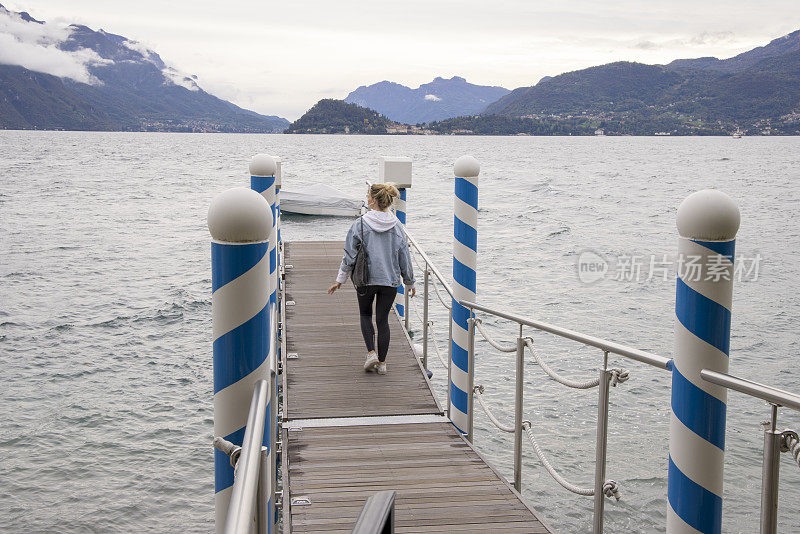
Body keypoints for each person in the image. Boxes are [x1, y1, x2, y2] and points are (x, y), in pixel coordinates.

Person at [327, 182, 415, 375]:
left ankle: (371, 353)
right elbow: (404, 255)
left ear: (373, 200)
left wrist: (339, 280)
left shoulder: (359, 224)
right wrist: (409, 281)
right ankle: (382, 364)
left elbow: (349, 255)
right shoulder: (397, 225)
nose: (367, 199)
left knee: (365, 315)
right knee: (383, 321)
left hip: (365, 280)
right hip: (390, 281)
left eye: (368, 196)